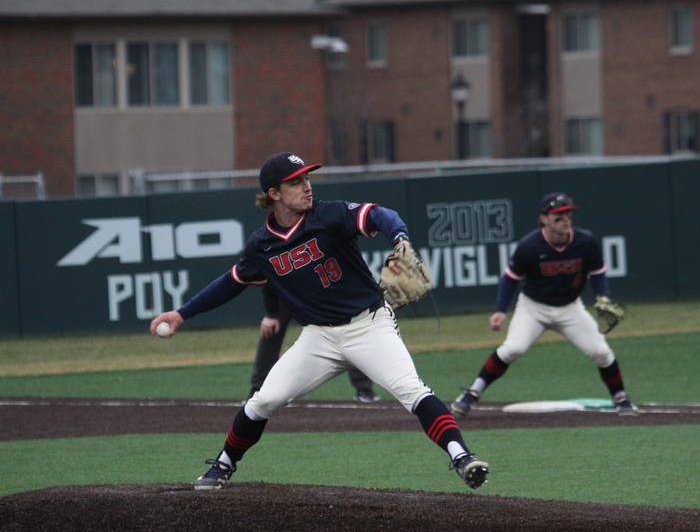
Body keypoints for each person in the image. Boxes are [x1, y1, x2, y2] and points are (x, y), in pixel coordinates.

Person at [151, 151, 488, 491]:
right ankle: (222, 465)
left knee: (412, 390)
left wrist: (399, 237)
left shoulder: (329, 214)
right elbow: (231, 282)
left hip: (369, 325)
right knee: (263, 401)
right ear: (274, 193)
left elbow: (380, 215)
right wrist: (181, 314)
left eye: (307, 178)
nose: (307, 186)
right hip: (318, 338)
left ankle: (462, 457)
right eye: (295, 182)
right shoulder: (262, 245)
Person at [451, 192, 639, 417]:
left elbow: (598, 272)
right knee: (512, 349)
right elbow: (510, 278)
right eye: (558, 216)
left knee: (601, 351)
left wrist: (603, 296)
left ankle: (621, 397)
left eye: (568, 214)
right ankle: (472, 392)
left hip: (570, 308)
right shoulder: (529, 246)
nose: (565, 220)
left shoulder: (585, 241)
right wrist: (501, 310)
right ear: (544, 219)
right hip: (533, 309)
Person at [249, 283, 380, 402]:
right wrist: (271, 313)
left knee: (346, 330)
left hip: (319, 294)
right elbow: (269, 277)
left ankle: (364, 388)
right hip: (288, 292)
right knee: (271, 331)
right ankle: (257, 389)